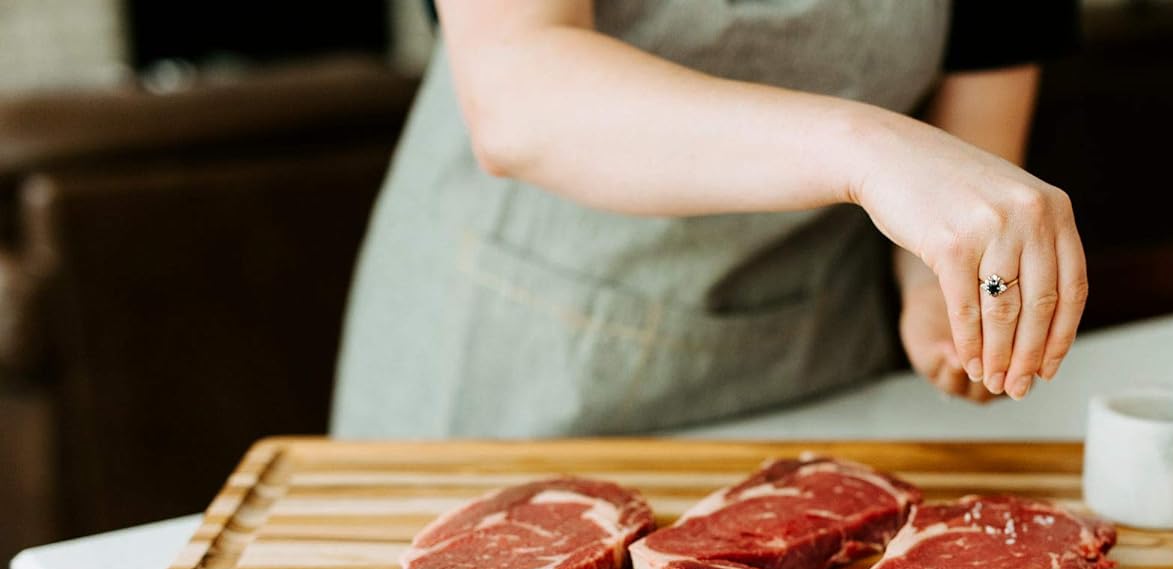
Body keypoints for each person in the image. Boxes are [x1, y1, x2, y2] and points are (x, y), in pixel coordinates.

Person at [331, 0, 1085, 438]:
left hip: (808, 349)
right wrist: (870, 152)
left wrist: (943, 289)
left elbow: (975, 129)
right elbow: (516, 91)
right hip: (511, 345)